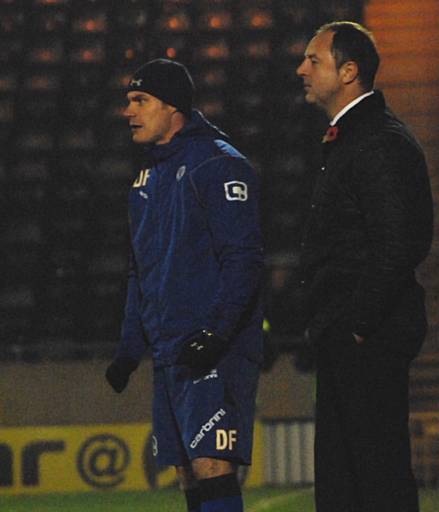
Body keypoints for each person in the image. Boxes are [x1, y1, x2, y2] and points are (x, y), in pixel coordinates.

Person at [104, 58, 264, 512]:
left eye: (140, 101)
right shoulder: (145, 179)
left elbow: (244, 259)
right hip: (171, 350)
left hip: (215, 344)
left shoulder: (217, 164)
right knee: (187, 473)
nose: (129, 112)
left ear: (172, 107)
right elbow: (142, 269)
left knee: (212, 464)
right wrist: (129, 348)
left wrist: (217, 332)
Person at [296, 22, 434, 512]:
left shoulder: (377, 141)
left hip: (365, 337)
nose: (302, 69)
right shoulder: (356, 137)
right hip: (350, 333)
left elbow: (398, 245)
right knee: (346, 482)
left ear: (349, 71)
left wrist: (355, 324)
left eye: (314, 60)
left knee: (373, 477)